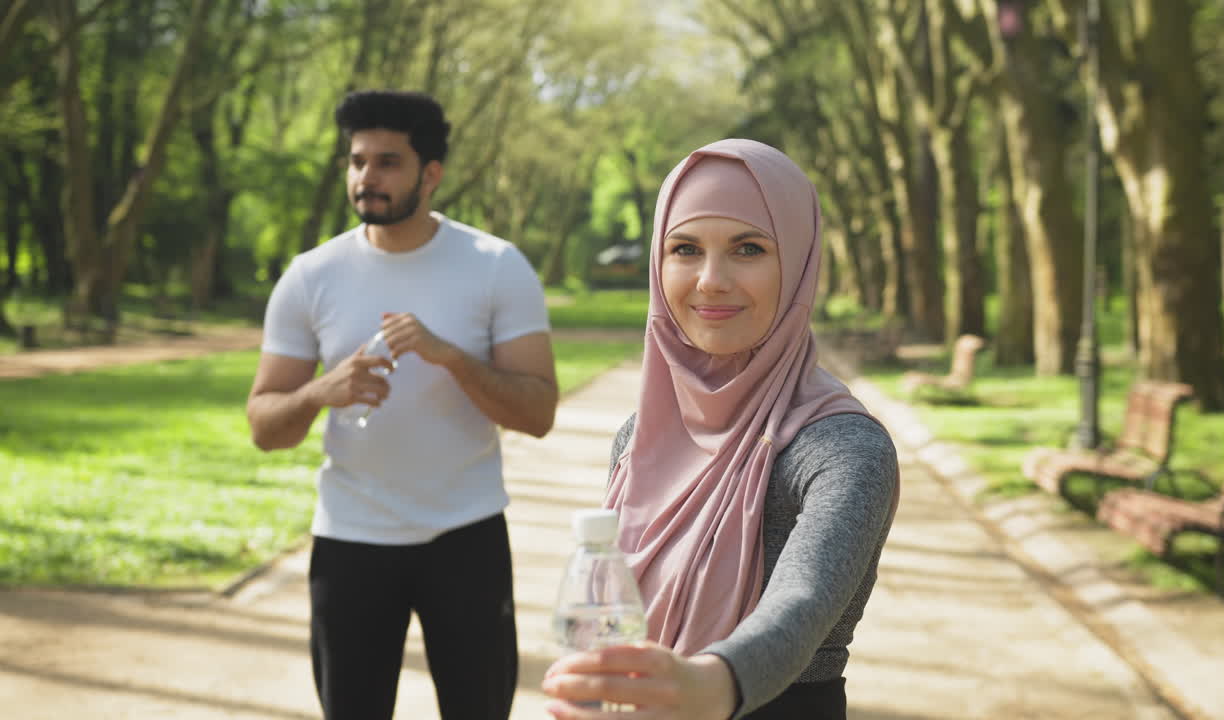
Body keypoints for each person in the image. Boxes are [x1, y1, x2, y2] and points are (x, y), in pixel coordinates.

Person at [541, 139, 899, 719]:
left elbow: (801, 603)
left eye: (748, 249)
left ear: (799, 263)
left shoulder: (842, 447)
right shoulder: (638, 436)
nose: (710, 280)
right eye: (685, 249)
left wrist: (708, 683)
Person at [246, 90, 558, 720]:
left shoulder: (497, 267)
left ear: (430, 174)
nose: (367, 177)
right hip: (350, 540)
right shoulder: (311, 275)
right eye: (357, 161)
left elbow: (538, 412)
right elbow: (264, 427)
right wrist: (320, 391)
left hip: (466, 536)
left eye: (388, 162)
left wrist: (452, 358)